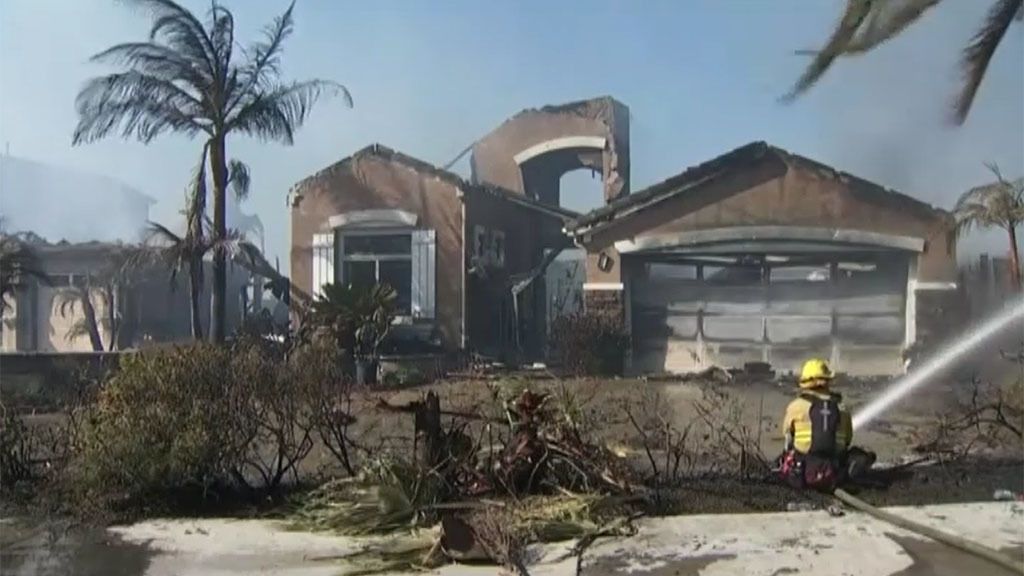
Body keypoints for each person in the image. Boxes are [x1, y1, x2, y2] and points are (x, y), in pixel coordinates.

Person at [779, 358, 876, 491]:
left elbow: (788, 438)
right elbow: (847, 440)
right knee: (859, 455)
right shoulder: (842, 408)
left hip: (802, 473)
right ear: (827, 381)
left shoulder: (795, 407)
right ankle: (849, 472)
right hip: (834, 471)